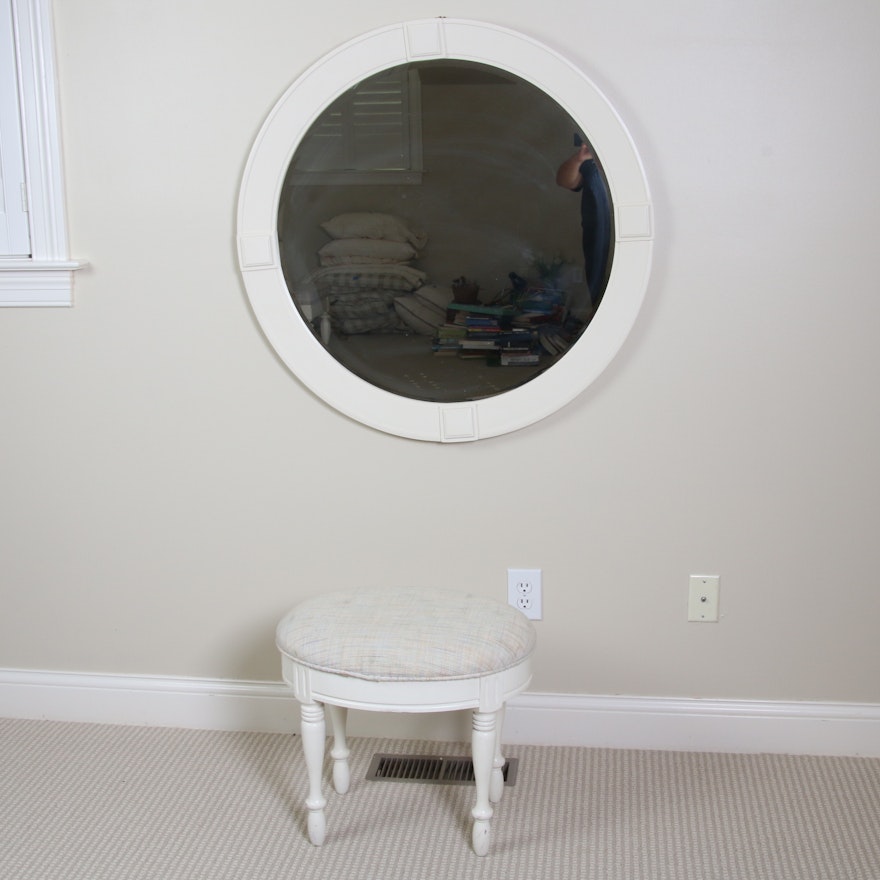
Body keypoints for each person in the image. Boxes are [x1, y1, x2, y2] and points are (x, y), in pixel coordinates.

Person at [556, 138, 612, 309]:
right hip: (599, 245)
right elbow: (565, 181)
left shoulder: (633, 163)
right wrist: (580, 158)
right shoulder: (590, 165)